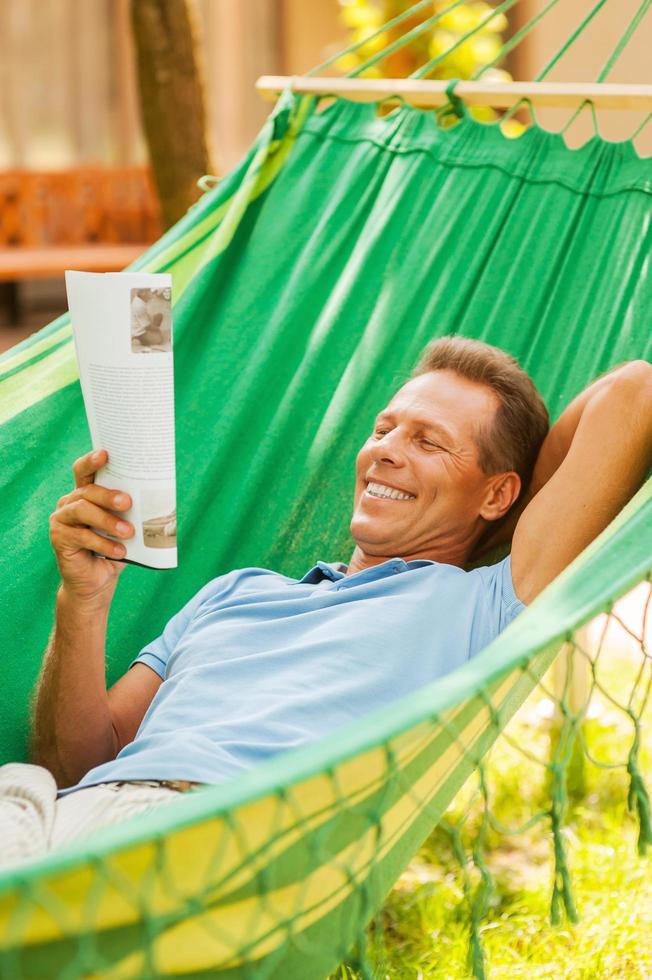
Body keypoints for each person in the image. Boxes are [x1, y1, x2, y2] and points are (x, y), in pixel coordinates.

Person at [2, 337, 651, 868]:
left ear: (497, 494)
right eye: (384, 429)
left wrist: (507, 527)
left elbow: (634, 394)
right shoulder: (233, 591)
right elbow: (75, 764)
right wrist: (82, 601)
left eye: (428, 442)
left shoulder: (488, 603)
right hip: (58, 815)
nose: (386, 451)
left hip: (215, 842)